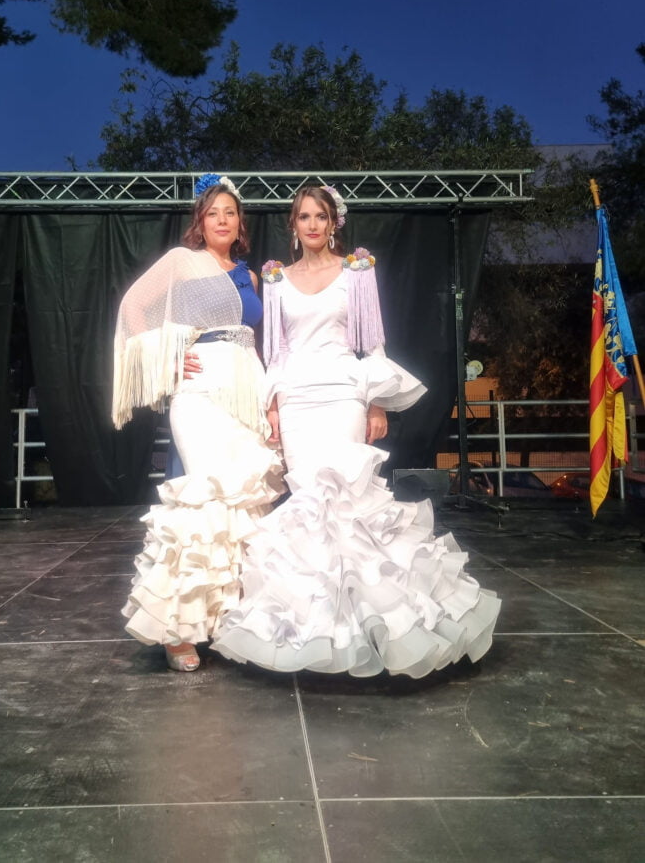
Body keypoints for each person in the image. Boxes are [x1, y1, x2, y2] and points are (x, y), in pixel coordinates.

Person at [212, 184, 501, 678]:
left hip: (345, 392)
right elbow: (275, 353)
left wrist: (375, 403)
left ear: (333, 223)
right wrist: (275, 407)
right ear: (293, 224)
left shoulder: (357, 272)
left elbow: (372, 343)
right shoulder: (276, 279)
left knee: (347, 501)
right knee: (307, 506)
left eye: (321, 216)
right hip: (298, 399)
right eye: (304, 216)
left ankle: (372, 626)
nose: (313, 225)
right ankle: (310, 630)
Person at [112, 174, 282, 671]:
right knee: (204, 498)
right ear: (200, 222)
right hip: (202, 388)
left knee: (244, 501)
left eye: (230, 212)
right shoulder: (181, 264)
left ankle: (228, 619)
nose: (223, 220)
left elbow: (258, 338)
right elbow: (133, 308)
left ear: (240, 222)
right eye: (213, 214)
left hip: (245, 386)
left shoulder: (249, 277)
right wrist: (167, 356)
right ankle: (176, 628)